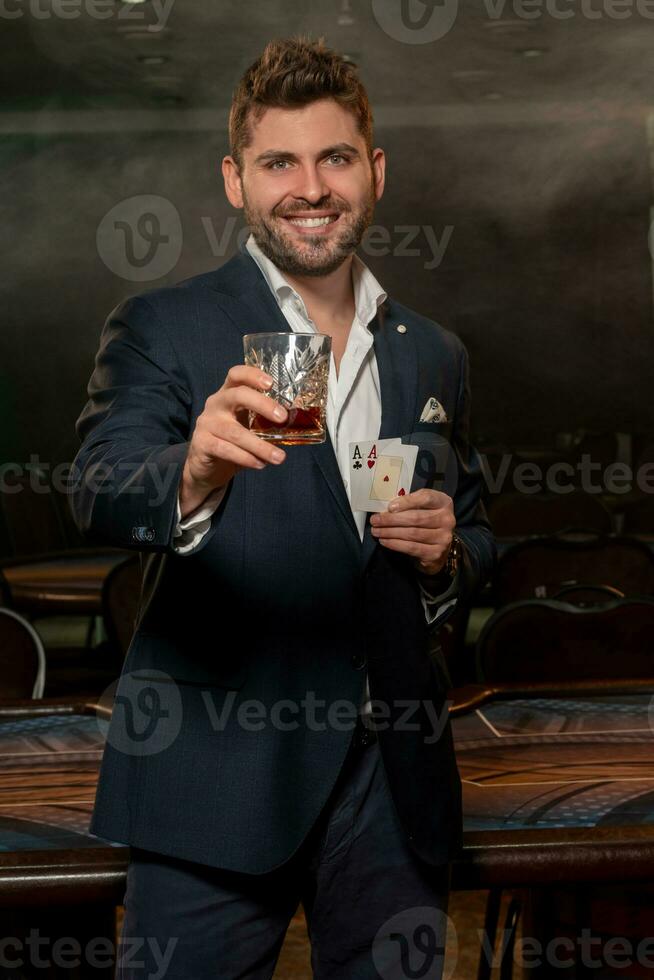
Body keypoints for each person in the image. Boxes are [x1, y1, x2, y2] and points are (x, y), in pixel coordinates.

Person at [71, 35, 495, 980]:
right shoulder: (164, 325)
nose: (311, 186)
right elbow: (96, 487)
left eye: (335, 157)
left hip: (394, 783)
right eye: (280, 163)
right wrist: (192, 472)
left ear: (374, 172)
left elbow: (477, 531)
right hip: (212, 780)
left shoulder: (433, 351)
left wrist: (445, 555)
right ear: (236, 181)